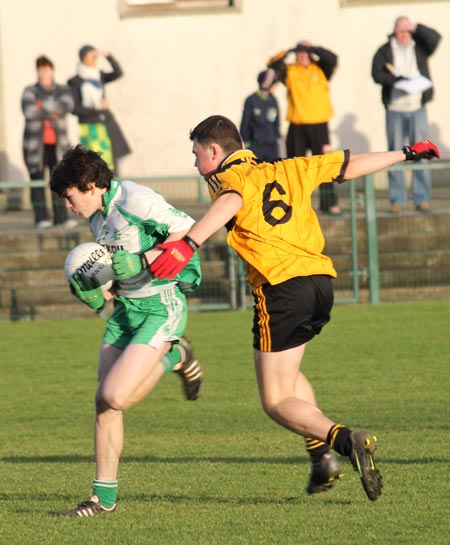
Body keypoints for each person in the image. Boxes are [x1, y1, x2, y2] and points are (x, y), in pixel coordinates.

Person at [148, 115, 440, 501]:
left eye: (197, 154)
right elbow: (348, 164)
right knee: (290, 376)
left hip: (281, 289)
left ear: (215, 151)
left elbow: (232, 199)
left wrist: (190, 244)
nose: (196, 164)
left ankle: (346, 441)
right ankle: (321, 458)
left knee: (274, 401)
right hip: (320, 284)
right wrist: (404, 154)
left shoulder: (226, 177)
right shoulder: (289, 167)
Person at [49, 145, 203, 516]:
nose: (69, 207)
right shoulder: (97, 218)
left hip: (159, 306)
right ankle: (102, 500)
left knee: (116, 395)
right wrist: (96, 293)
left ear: (90, 185)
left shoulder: (137, 200)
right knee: (104, 403)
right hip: (126, 312)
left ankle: (175, 354)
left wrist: (143, 258)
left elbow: (189, 233)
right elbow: (114, 271)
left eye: (70, 198)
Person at [371, 17, 441, 213]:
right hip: (395, 108)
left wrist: (416, 27)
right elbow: (376, 74)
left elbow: (436, 39)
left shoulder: (419, 47)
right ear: (394, 32)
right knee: (395, 153)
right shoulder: (385, 50)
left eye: (407, 31)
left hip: (417, 107)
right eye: (400, 31)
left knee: (422, 152)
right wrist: (396, 80)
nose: (404, 35)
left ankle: (422, 198)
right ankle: (397, 199)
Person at [268, 41, 341, 215]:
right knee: (295, 167)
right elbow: (272, 65)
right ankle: (297, 204)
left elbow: (333, 58)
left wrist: (314, 48)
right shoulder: (291, 70)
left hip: (319, 126)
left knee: (323, 166)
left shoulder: (321, 68)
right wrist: (289, 49)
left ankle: (329, 203)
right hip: (297, 125)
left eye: (305, 53)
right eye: (299, 53)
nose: (302, 56)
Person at [21, 55, 77, 229]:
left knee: (60, 180)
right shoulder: (29, 91)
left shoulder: (63, 90)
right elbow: (29, 111)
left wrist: (41, 106)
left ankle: (62, 217)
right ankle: (41, 218)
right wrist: (53, 108)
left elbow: (67, 106)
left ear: (52, 70)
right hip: (35, 146)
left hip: (58, 145)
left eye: (46, 69)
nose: (43, 72)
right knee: (37, 180)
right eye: (40, 69)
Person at [67, 46, 130, 174]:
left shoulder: (98, 75)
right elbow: (74, 108)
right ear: (84, 57)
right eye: (92, 56)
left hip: (106, 123)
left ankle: (114, 190)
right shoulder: (74, 81)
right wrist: (97, 108)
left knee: (112, 162)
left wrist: (108, 56)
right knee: (95, 164)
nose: (95, 59)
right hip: (90, 128)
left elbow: (118, 73)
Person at [239, 68, 280, 162]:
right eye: (274, 84)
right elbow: (245, 122)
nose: (277, 87)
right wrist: (246, 140)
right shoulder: (251, 100)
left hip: (271, 146)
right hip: (256, 145)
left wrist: (276, 137)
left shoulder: (273, 100)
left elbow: (276, 122)